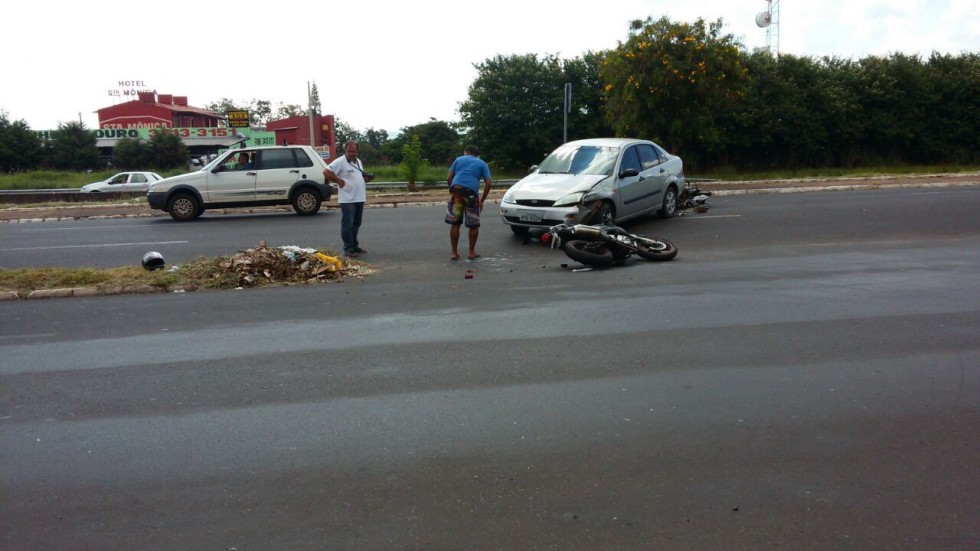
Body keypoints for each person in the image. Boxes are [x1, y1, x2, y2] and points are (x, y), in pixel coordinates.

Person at [446, 145, 493, 260]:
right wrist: (481, 200)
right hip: (471, 194)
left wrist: (452, 191)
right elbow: (489, 183)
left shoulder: (458, 160)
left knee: (455, 224)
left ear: (466, 152)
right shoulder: (482, 163)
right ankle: (471, 252)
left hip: (456, 192)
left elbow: (448, 178)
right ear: (477, 154)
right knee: (473, 224)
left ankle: (454, 252)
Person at [323, 141, 368, 257]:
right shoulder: (340, 161)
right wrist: (338, 180)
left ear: (357, 151)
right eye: (349, 151)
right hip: (348, 199)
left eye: (354, 151)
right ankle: (348, 249)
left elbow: (357, 176)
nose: (352, 153)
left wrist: (365, 179)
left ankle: (354, 245)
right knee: (348, 225)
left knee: (356, 224)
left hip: (359, 197)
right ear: (345, 151)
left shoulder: (358, 162)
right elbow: (326, 172)